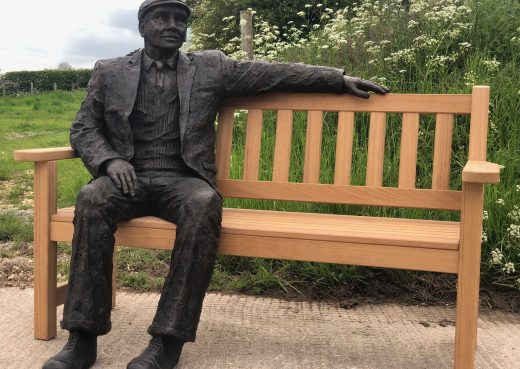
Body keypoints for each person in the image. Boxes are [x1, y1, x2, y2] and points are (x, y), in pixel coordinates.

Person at [42, 1, 388, 368]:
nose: (173, 25)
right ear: (142, 27)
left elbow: (272, 74)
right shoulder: (110, 71)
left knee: (203, 202)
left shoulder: (210, 68)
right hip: (127, 180)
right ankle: (82, 338)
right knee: (91, 198)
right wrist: (109, 161)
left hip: (184, 181)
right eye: (162, 18)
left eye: (180, 20)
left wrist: (335, 78)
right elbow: (84, 127)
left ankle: (167, 341)